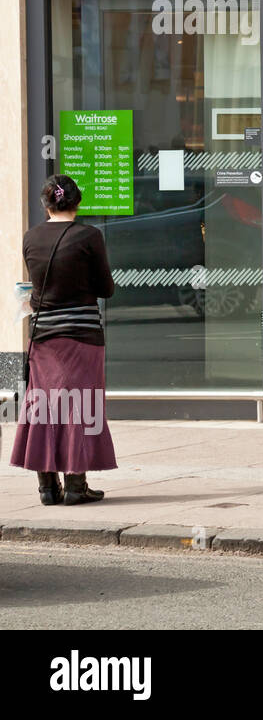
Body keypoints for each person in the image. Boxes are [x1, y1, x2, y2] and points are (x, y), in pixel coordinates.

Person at [9, 175, 118, 504]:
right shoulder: (89, 236)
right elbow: (106, 288)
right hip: (82, 335)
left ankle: (47, 487)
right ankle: (75, 485)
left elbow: (38, 286)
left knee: (42, 407)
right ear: (78, 202)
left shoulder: (31, 238)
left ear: (46, 205)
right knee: (80, 407)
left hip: (43, 337)